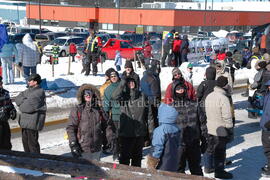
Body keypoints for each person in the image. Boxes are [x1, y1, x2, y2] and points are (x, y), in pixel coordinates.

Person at [66, 84, 114, 161]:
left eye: (89, 93)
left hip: (96, 148)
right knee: (82, 171)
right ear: (82, 95)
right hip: (82, 148)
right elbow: (71, 128)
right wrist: (73, 144)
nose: (88, 95)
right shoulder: (77, 110)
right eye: (85, 94)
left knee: (95, 171)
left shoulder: (99, 110)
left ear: (94, 95)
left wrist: (109, 141)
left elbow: (107, 126)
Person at [112, 77, 147, 167]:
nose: (131, 83)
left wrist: (150, 130)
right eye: (129, 82)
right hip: (126, 134)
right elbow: (114, 97)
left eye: (132, 82)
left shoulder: (142, 95)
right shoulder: (123, 97)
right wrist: (122, 83)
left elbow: (148, 114)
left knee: (137, 159)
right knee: (124, 159)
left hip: (139, 133)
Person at [171, 83, 205, 176]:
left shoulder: (194, 104)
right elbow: (167, 128)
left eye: (182, 89)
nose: (181, 91)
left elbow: (202, 123)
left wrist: (204, 140)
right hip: (178, 145)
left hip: (194, 142)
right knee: (178, 171)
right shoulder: (171, 107)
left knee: (196, 169)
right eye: (178, 89)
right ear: (174, 91)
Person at [205, 76, 234, 179]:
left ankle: (208, 167)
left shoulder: (209, 96)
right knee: (220, 152)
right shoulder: (223, 98)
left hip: (210, 128)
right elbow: (227, 116)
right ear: (225, 86)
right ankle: (219, 172)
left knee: (211, 148)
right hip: (221, 129)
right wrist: (230, 130)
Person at [15, 74, 46, 153]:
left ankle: (36, 162)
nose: (28, 82)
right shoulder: (28, 90)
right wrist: (25, 100)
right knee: (25, 144)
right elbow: (17, 99)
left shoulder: (39, 92)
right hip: (25, 122)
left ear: (35, 82)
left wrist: (23, 102)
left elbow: (26, 107)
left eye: (30, 81)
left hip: (32, 123)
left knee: (33, 145)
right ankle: (28, 161)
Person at [146, 103, 181, 172]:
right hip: (175, 162)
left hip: (162, 165)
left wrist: (152, 162)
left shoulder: (161, 130)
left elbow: (157, 147)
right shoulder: (177, 128)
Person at [196, 66, 217, 173]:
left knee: (206, 140)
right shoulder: (218, 84)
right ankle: (214, 163)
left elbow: (198, 95)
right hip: (216, 113)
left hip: (204, 113)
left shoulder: (203, 84)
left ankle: (208, 165)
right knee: (215, 140)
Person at [141, 59, 161, 146]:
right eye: (158, 66)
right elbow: (155, 92)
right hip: (152, 102)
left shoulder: (145, 76)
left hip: (144, 101)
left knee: (147, 120)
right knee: (153, 120)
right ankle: (153, 138)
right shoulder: (153, 78)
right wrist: (157, 103)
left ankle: (146, 139)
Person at [103, 70, 121, 160]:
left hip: (127, 114)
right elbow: (106, 102)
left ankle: (126, 152)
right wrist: (106, 112)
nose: (114, 78)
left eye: (115, 76)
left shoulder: (123, 86)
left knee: (126, 135)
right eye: (112, 77)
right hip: (115, 115)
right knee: (115, 136)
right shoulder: (108, 89)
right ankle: (116, 153)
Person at [0, 76, 17, 150]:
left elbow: (9, 104)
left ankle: (8, 158)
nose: (1, 84)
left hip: (4, 122)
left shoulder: (5, 92)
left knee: (6, 143)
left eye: (1, 82)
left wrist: (12, 110)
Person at [259, 80, 270, 177]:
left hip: (268, 126)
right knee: (266, 147)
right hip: (265, 125)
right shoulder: (267, 94)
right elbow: (262, 105)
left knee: (268, 148)